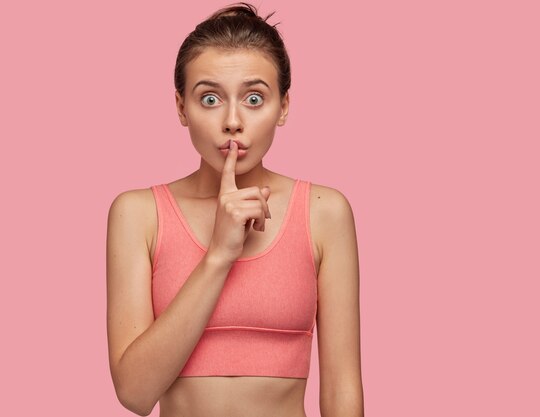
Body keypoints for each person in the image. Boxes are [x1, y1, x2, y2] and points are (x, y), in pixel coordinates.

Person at [106, 3, 363, 416]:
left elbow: (342, 391)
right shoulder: (138, 214)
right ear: (180, 108)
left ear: (283, 107)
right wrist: (219, 255)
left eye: (254, 98)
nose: (232, 121)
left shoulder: (324, 212)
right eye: (209, 98)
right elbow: (134, 393)